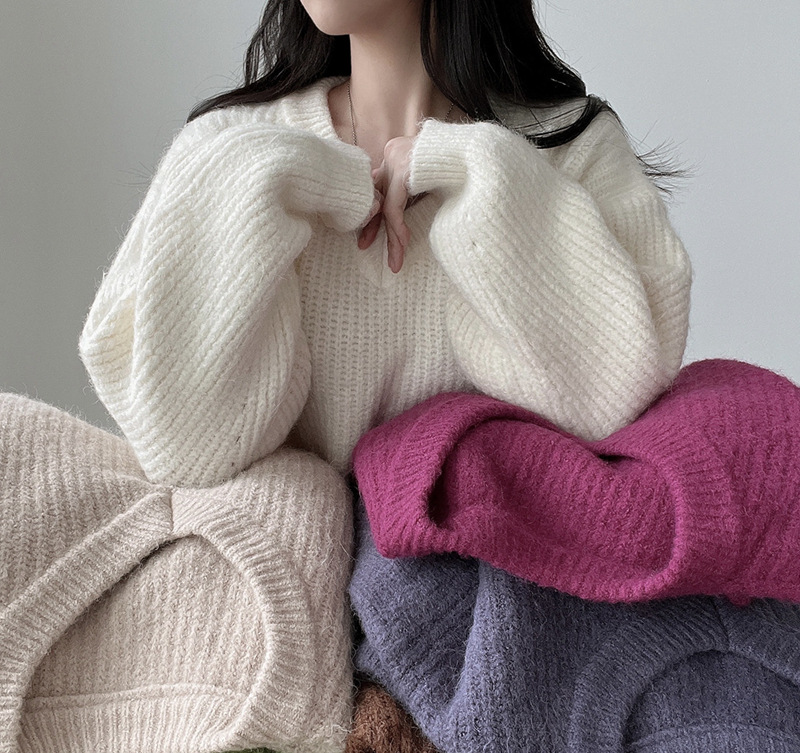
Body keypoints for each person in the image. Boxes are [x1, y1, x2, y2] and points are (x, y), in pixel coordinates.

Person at [79, 0, 692, 490]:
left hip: (484, 589)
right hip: (283, 590)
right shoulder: (226, 151)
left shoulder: (572, 149)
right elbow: (178, 449)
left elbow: (614, 400)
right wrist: (266, 179)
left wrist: (473, 169)